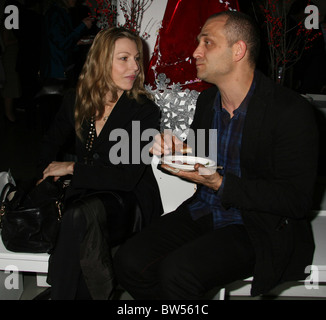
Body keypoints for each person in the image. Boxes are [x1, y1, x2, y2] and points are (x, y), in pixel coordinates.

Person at [113, 11, 319, 299]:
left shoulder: (290, 111)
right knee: (129, 261)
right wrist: (178, 151)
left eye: (207, 42)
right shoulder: (208, 101)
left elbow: (296, 201)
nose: (196, 51)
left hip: (255, 225)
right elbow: (201, 158)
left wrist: (221, 185)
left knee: (178, 272)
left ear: (238, 50)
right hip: (204, 210)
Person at [36, 27, 163, 300]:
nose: (135, 68)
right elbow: (48, 144)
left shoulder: (144, 110)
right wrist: (46, 173)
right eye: (124, 58)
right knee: (80, 222)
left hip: (130, 201)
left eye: (137, 59)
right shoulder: (77, 100)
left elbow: (126, 178)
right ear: (101, 61)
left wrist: (71, 168)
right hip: (86, 192)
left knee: (79, 216)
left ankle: (58, 294)